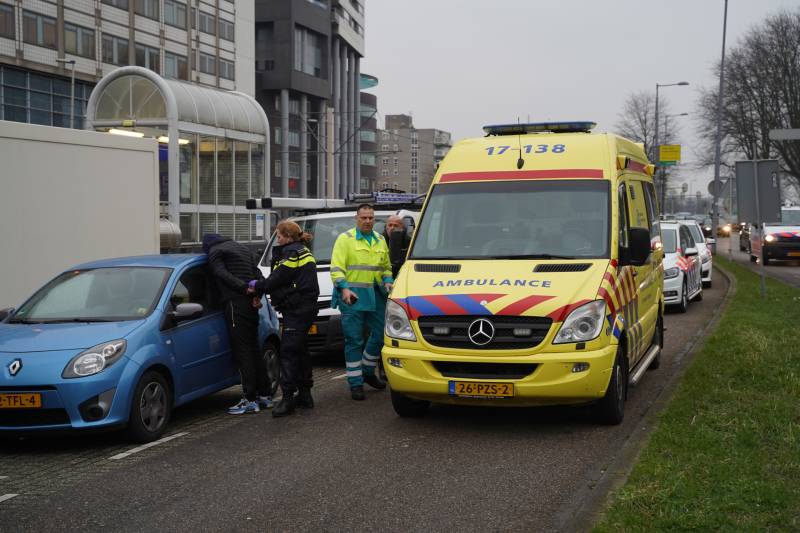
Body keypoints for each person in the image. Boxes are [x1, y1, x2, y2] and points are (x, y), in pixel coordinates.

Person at [248, 221, 320, 417]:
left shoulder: (293, 253)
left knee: (288, 352)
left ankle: (288, 398)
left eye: (278, 236)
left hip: (298, 310)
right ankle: (305, 395)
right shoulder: (299, 251)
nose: (277, 239)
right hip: (299, 309)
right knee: (300, 350)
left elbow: (277, 279)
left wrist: (256, 285)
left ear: (287, 236)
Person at [202, 233, 271, 415]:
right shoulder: (242, 248)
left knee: (243, 351)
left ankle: (249, 399)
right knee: (254, 348)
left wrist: (242, 288)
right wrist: (256, 295)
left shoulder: (215, 251)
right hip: (250, 305)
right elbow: (257, 275)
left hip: (234, 303)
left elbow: (220, 273)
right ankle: (265, 395)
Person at [330, 204, 393, 400]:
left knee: (384, 333)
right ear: (356, 219)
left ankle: (366, 370)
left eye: (371, 218)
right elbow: (336, 268)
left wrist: (388, 281)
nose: (367, 221)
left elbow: (386, 268)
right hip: (352, 297)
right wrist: (345, 288)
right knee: (354, 340)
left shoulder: (380, 239)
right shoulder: (345, 239)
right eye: (364, 218)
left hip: (375, 295)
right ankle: (356, 383)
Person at [383, 214, 412, 279]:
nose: (392, 228)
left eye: (395, 225)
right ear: (386, 227)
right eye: (390, 225)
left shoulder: (408, 242)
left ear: (402, 228)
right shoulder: (380, 240)